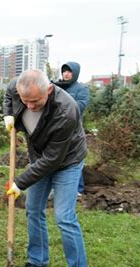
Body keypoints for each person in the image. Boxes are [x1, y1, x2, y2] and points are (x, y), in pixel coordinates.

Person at [4, 69, 88, 267]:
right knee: (33, 209)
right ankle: (37, 261)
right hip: (40, 158)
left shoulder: (66, 111)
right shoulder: (18, 86)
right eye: (25, 101)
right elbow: (8, 95)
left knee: (64, 217)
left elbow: (53, 160)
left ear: (49, 90)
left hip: (67, 162)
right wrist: (8, 114)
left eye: (35, 101)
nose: (29, 106)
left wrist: (19, 183)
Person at [54, 62, 90, 194]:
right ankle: (57, 186)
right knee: (57, 157)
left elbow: (79, 107)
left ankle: (78, 189)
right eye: (64, 71)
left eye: (69, 71)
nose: (66, 74)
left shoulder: (82, 89)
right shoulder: (57, 87)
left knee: (74, 158)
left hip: (72, 130)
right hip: (56, 129)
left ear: (75, 73)